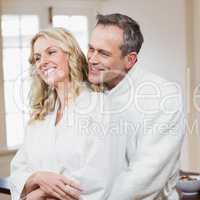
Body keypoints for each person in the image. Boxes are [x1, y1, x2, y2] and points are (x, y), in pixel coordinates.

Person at [9, 27, 127, 200]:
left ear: (70, 54)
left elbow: (101, 173)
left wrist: (41, 193)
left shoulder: (100, 107)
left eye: (51, 52)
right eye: (37, 57)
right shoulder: (39, 117)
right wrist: (37, 178)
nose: (43, 62)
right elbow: (19, 168)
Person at [87, 13, 185, 200]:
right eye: (91, 49)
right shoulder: (85, 90)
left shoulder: (163, 95)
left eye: (103, 53)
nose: (91, 59)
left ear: (130, 60)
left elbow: (144, 177)